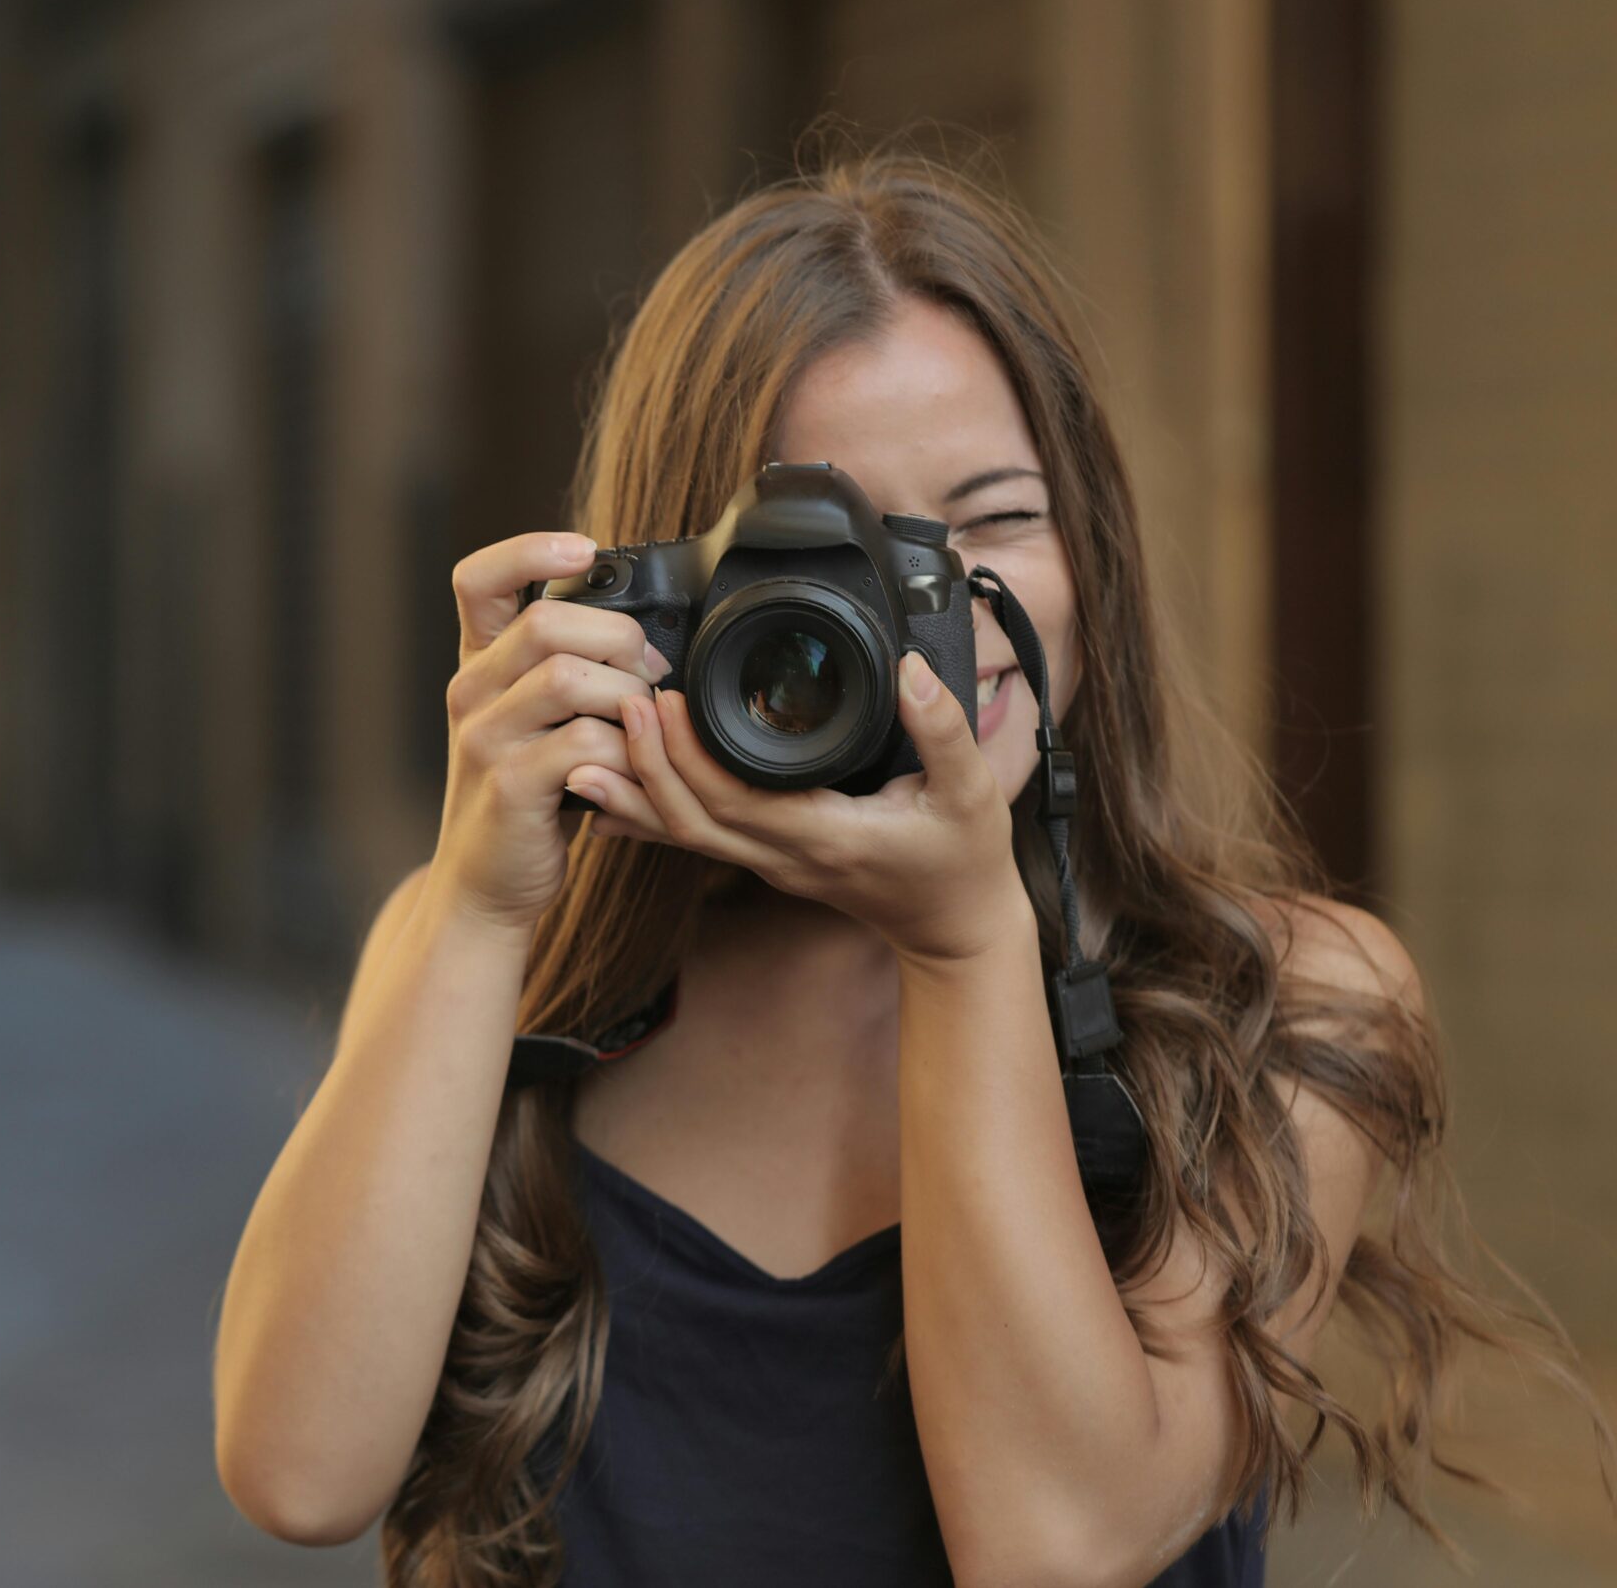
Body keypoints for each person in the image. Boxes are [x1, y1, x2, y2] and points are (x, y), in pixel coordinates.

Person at [211, 145, 1616, 1586]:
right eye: (840, 559)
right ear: (674, 599)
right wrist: (475, 900)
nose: (912, 626)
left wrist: (966, 945)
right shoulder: (497, 953)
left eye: (994, 522)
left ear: (1096, 551)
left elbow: (1055, 1549)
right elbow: (301, 1473)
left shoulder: (1291, 1004)